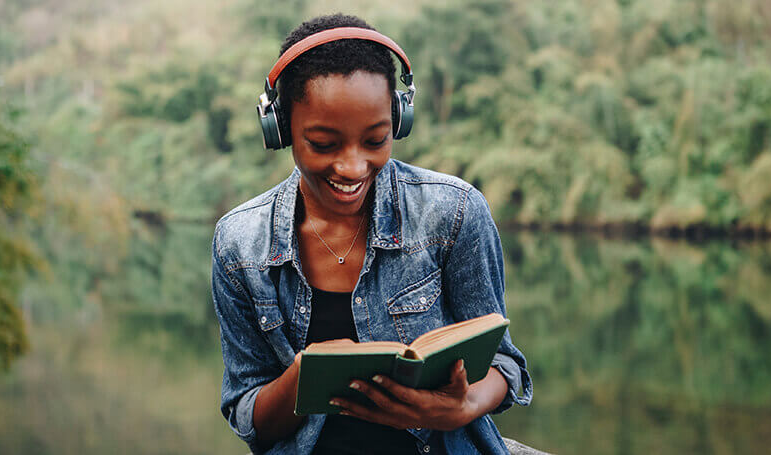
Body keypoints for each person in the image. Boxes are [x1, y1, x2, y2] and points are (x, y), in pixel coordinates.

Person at [212, 13, 532, 454]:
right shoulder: (239, 244)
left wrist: (461, 406)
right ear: (281, 129)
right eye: (324, 144)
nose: (352, 167)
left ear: (398, 121)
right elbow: (250, 419)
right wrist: (304, 375)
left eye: (376, 140)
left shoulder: (454, 213)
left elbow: (505, 364)